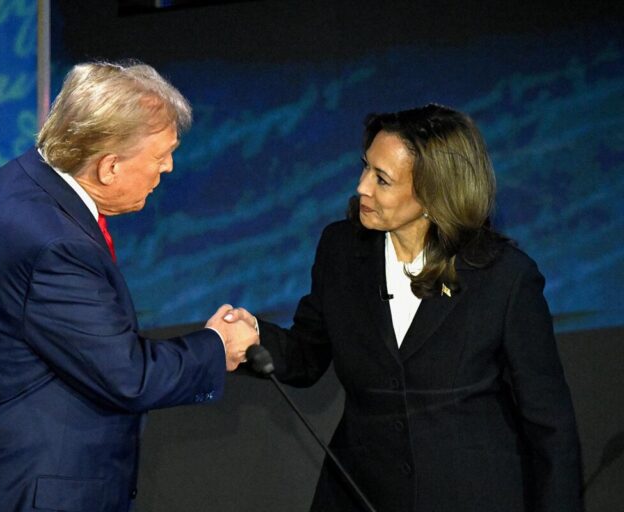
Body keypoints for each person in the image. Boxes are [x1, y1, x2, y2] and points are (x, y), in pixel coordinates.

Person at [0, 61, 258, 512]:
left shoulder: (16, 184)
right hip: (20, 491)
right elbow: (129, 376)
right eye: (160, 156)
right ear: (109, 166)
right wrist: (217, 345)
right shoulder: (54, 244)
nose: (168, 168)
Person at [231, 104, 583, 511]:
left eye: (382, 179)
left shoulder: (505, 277)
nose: (362, 187)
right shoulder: (341, 250)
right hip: (362, 493)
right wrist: (253, 337)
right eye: (365, 169)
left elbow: (550, 424)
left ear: (434, 193)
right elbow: (308, 355)